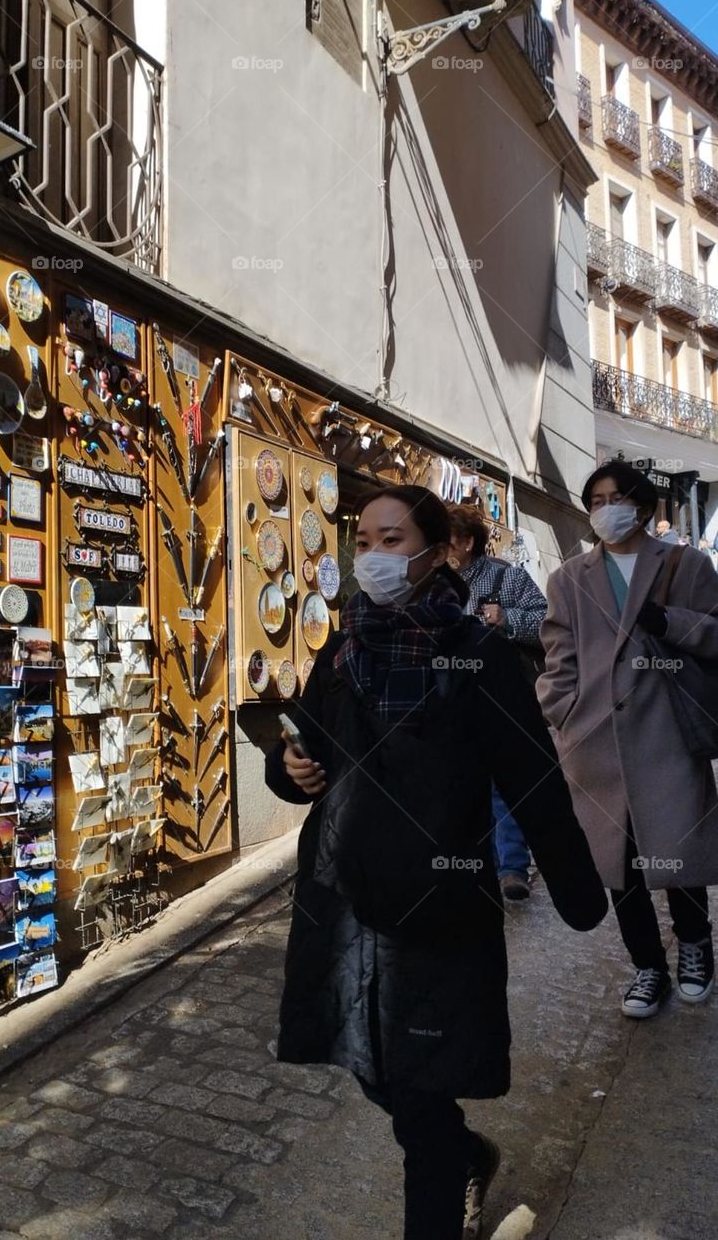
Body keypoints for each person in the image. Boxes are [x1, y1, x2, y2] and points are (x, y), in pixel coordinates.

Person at [266, 485, 606, 1240]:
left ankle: (446, 1179)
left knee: (420, 1089)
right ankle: (463, 1154)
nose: (374, 556)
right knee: (370, 1067)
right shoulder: (345, 642)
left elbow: (532, 774)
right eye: (365, 539)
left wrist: (579, 888)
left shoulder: (475, 651)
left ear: (434, 551)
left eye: (392, 539)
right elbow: (305, 744)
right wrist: (288, 763)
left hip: (438, 905)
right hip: (347, 900)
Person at [538, 460, 718, 1019]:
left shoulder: (685, 564)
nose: (604, 509)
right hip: (594, 743)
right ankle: (647, 966)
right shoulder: (568, 578)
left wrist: (670, 623)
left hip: (666, 734)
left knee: (677, 851)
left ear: (641, 505)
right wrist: (562, 708)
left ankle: (695, 947)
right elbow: (557, 655)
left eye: (615, 497)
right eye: (595, 500)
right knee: (619, 864)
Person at [447, 504, 547, 903]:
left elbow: (547, 622)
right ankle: (479, 867)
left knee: (501, 786)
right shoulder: (432, 583)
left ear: (467, 542)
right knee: (463, 787)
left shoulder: (505, 576)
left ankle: (511, 869)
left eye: (446, 539)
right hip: (452, 702)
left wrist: (507, 618)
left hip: (502, 699)